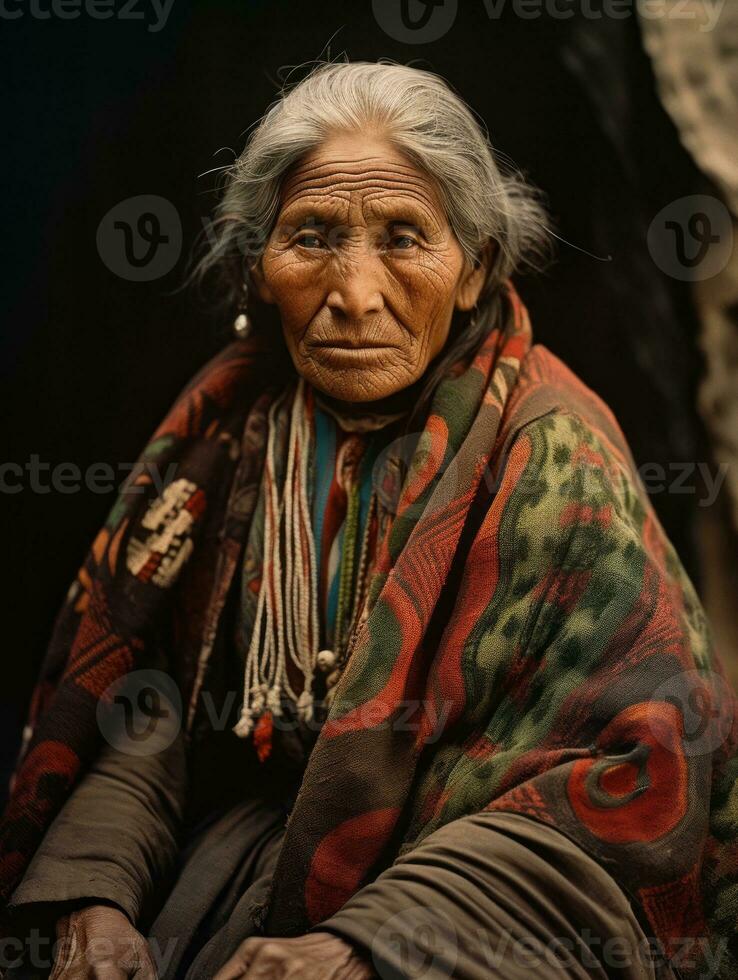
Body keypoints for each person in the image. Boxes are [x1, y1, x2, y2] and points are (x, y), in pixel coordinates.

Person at [1, 62, 736, 980]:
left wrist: (368, 947)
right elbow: (149, 700)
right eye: (311, 237)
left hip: (482, 909)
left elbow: (631, 786)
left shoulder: (555, 458)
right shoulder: (233, 430)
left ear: (474, 269)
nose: (354, 294)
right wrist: (95, 892)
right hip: (237, 865)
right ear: (259, 269)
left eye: (403, 238)